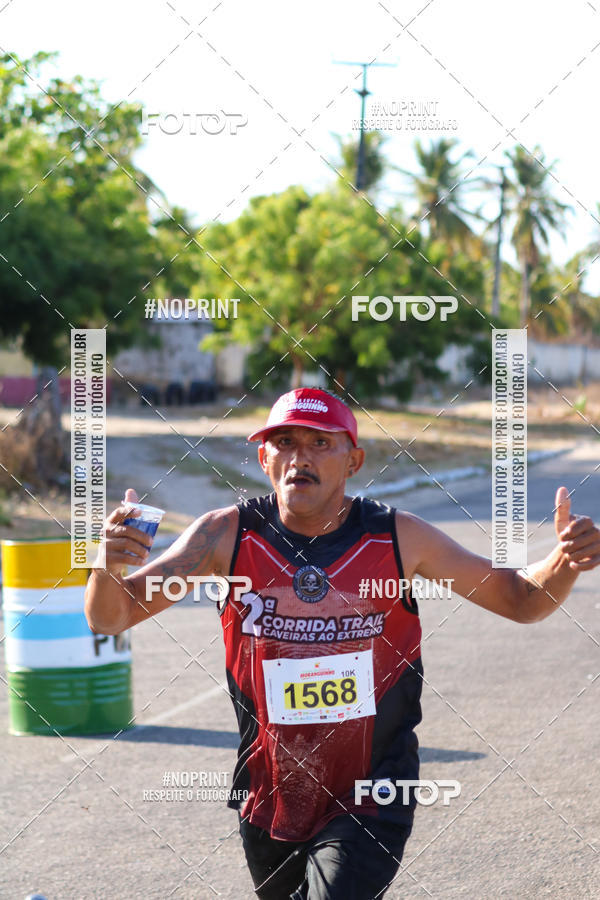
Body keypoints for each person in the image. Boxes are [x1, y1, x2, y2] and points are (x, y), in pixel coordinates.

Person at [84, 387, 600, 899]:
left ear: (353, 460)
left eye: (319, 444)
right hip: (270, 791)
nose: (299, 457)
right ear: (264, 458)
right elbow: (114, 616)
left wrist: (565, 562)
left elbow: (519, 599)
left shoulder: (398, 538)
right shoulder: (225, 536)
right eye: (284, 442)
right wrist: (108, 564)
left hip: (374, 788)